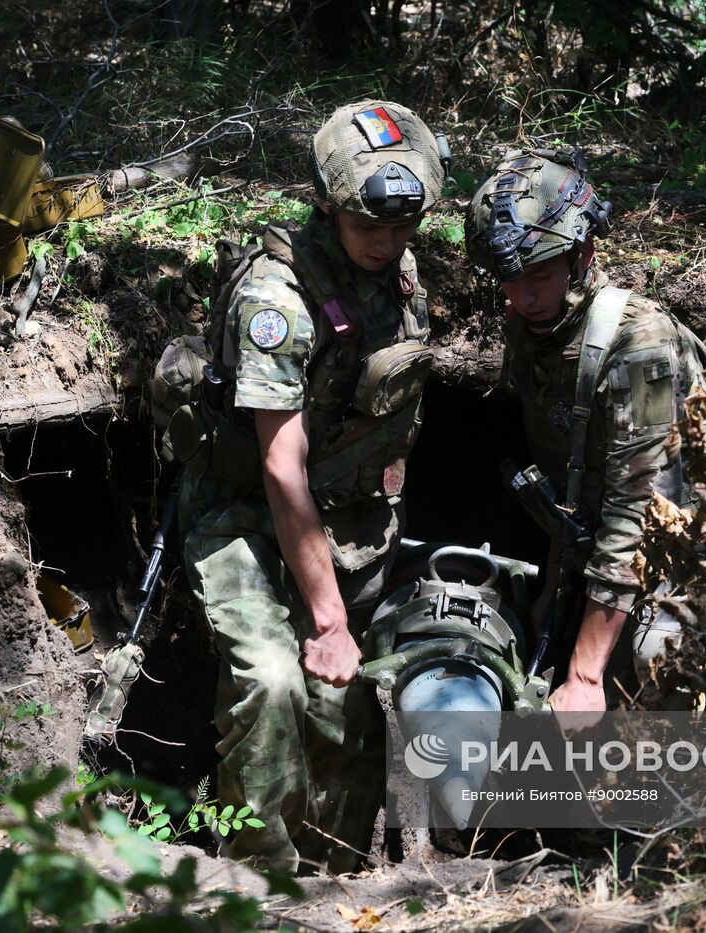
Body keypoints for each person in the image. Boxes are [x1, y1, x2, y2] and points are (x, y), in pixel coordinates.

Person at [176, 100, 446, 871]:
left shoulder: (395, 272)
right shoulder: (278, 302)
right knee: (271, 684)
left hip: (344, 521)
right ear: (327, 208)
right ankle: (258, 877)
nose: (391, 242)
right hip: (246, 522)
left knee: (345, 703)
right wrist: (328, 618)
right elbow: (278, 466)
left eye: (404, 228)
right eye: (371, 227)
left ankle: (332, 873)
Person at [464, 148, 706, 713]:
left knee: (653, 660)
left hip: (678, 551)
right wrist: (556, 587)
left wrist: (587, 673)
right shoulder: (532, 328)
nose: (522, 295)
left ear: (583, 255)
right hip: (592, 546)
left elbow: (637, 508)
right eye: (510, 278)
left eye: (540, 274)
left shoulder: (640, 346)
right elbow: (564, 480)